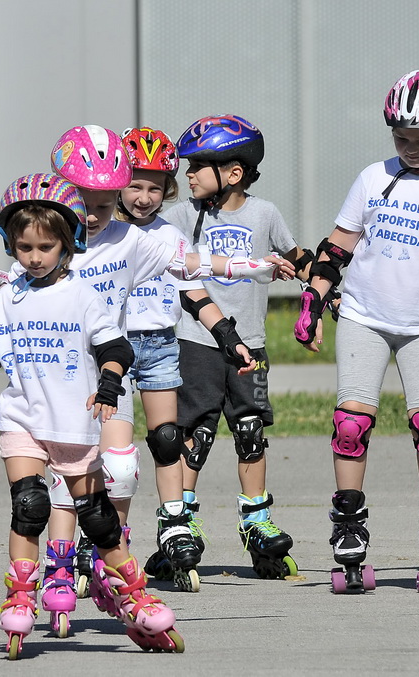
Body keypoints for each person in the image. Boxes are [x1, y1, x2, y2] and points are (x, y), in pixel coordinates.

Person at [0, 126, 292, 629]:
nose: (95, 214)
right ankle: (58, 563)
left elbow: (191, 266)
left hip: (108, 370)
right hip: (60, 375)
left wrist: (254, 268)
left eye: (104, 202)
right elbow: (9, 288)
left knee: (117, 470)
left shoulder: (129, 240)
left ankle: (105, 557)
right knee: (52, 484)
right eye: (87, 202)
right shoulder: (51, 241)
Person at [0, 173, 184, 657]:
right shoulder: (9, 295)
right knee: (30, 504)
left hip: (74, 423)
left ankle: (133, 594)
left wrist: (109, 384)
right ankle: (20, 596)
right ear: (10, 245)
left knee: (98, 519)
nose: (34, 257)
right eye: (24, 248)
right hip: (23, 421)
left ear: (67, 242)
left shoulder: (82, 294)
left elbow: (116, 347)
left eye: (44, 247)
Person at [295, 70, 419, 594]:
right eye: (402, 138)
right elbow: (336, 249)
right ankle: (348, 526)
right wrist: (313, 300)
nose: (411, 148)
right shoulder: (372, 178)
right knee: (351, 424)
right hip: (363, 316)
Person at [162, 115, 316, 580]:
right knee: (196, 433)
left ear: (233, 172)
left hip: (252, 344)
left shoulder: (264, 214)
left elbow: (298, 259)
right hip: (196, 342)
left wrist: (325, 296)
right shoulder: (182, 216)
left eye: (198, 166)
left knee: (250, 431)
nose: (188, 174)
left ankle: (256, 521)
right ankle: (180, 523)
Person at [115, 127, 258, 592]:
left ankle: (174, 524)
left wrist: (229, 337)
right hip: (110, 350)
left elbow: (194, 291)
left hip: (159, 345)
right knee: (115, 459)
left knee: (168, 439)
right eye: (135, 186)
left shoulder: (169, 234)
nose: (144, 197)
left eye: (155, 188)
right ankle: (106, 538)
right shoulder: (100, 234)